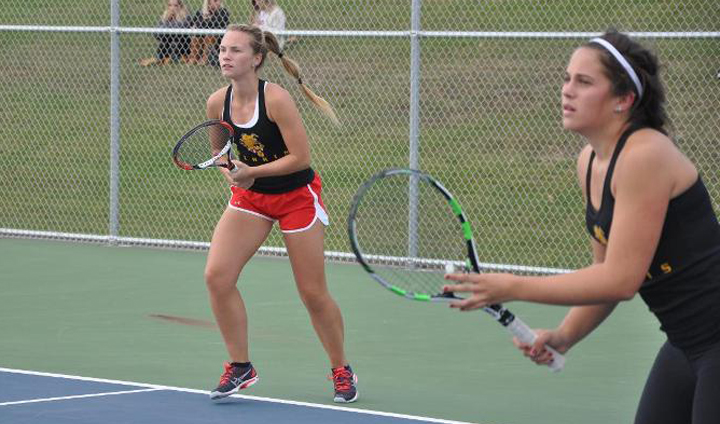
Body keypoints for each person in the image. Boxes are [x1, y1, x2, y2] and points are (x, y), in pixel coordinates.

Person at [443, 31, 720, 423]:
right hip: (685, 343)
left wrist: (511, 286)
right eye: (567, 78)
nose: (567, 90)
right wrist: (565, 335)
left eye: (584, 82)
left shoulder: (646, 155)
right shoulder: (590, 162)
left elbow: (621, 281)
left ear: (624, 100)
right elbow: (602, 277)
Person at [203, 24, 352, 404]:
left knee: (312, 293)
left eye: (235, 50)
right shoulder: (216, 102)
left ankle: (341, 369)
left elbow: (301, 158)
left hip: (295, 196)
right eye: (223, 49)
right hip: (251, 198)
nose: (225, 55)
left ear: (256, 59)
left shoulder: (277, 99)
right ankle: (240, 366)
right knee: (217, 277)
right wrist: (232, 174)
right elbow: (221, 155)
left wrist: (252, 173)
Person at [139, 0, 191, 66]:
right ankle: (161, 59)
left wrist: (176, 20)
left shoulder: (186, 16)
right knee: (164, 40)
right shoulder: (165, 16)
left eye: (175, 5)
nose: (172, 8)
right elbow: (156, 34)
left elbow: (179, 31)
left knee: (174, 40)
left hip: (182, 46)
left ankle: (161, 59)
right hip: (168, 45)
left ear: (180, 6)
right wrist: (165, 20)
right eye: (170, 5)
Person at [187, 0, 230, 66]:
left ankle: (205, 58)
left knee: (209, 36)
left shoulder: (223, 12)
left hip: (217, 39)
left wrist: (205, 20)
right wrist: (204, 21)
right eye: (215, 1)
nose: (217, 3)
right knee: (196, 37)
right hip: (201, 37)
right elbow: (192, 24)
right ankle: (194, 57)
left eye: (219, 1)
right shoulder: (200, 12)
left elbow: (216, 24)